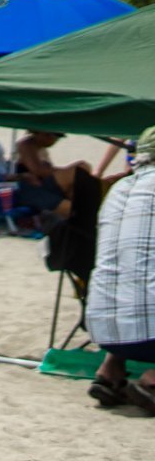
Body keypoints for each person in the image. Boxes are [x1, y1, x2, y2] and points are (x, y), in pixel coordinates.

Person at [86, 126, 155, 414]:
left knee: (131, 280)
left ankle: (110, 371)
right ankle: (152, 382)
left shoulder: (118, 188)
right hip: (149, 333)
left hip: (103, 329)